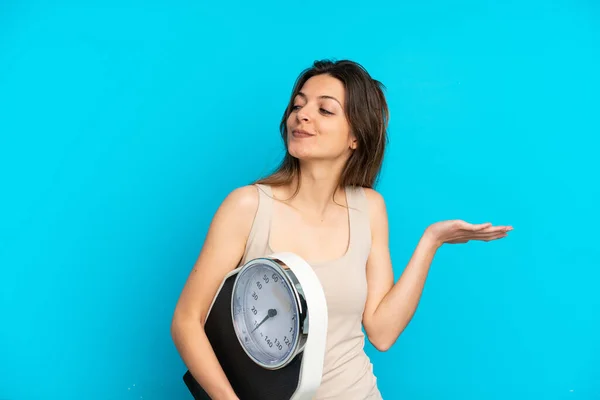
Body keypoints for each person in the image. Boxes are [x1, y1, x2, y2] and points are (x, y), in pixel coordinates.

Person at [170, 59, 512, 400]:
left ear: (355, 136)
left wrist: (431, 241)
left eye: (325, 110)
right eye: (298, 105)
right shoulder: (248, 206)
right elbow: (187, 320)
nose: (302, 115)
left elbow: (382, 332)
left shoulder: (369, 208)